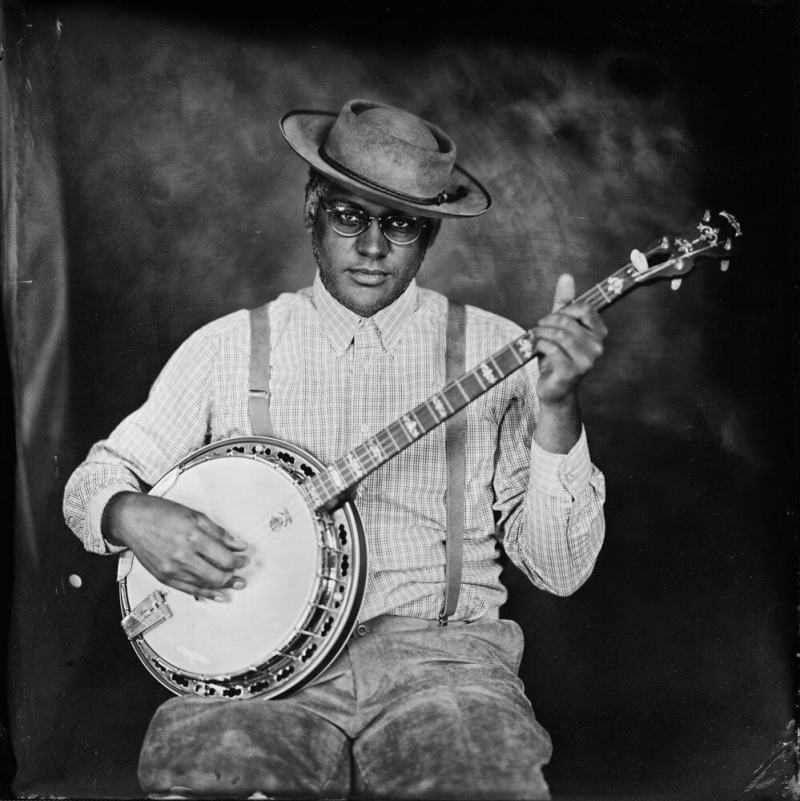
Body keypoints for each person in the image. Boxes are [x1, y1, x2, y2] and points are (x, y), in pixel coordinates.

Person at [63, 98, 607, 800]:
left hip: (444, 668)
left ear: (430, 233)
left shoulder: (499, 351)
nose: (373, 246)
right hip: (251, 680)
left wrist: (558, 408)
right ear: (313, 211)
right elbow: (92, 482)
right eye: (350, 216)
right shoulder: (227, 348)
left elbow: (561, 570)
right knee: (208, 784)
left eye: (401, 223)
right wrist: (128, 513)